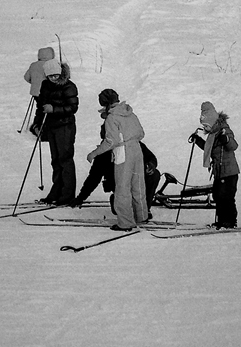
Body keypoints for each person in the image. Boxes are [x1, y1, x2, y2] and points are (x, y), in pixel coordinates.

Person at [86, 89, 148, 231]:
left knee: (122, 188)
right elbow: (141, 133)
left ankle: (126, 223)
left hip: (123, 152)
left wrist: (94, 153)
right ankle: (142, 216)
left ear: (105, 104)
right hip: (137, 149)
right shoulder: (130, 113)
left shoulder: (112, 118)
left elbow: (110, 141)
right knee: (138, 185)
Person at [73, 123, 161, 218]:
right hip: (119, 185)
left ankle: (144, 209)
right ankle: (118, 202)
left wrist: (151, 164)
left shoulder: (134, 144)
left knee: (154, 175)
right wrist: (80, 198)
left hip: (136, 181)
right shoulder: (103, 153)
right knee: (122, 209)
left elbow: (150, 157)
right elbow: (94, 178)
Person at [188, 102, 239, 229]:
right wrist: (198, 140)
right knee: (218, 195)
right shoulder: (213, 134)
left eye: (206, 125)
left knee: (226, 196)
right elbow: (209, 150)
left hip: (229, 171)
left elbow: (233, 145)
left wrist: (225, 139)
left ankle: (230, 221)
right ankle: (221, 220)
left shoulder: (223, 130)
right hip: (219, 171)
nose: (205, 127)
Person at [36, 58, 79, 205]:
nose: (54, 78)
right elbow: (41, 106)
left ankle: (67, 194)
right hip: (52, 127)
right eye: (50, 76)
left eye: (56, 75)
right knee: (55, 160)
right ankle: (56, 191)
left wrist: (54, 109)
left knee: (65, 160)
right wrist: (37, 124)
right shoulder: (45, 85)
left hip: (65, 127)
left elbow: (72, 108)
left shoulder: (69, 86)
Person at [24, 46, 54, 135]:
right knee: (44, 110)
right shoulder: (51, 65)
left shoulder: (33, 65)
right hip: (47, 92)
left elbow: (26, 77)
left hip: (35, 92)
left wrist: (34, 83)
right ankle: (38, 127)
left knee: (40, 108)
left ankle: (37, 125)